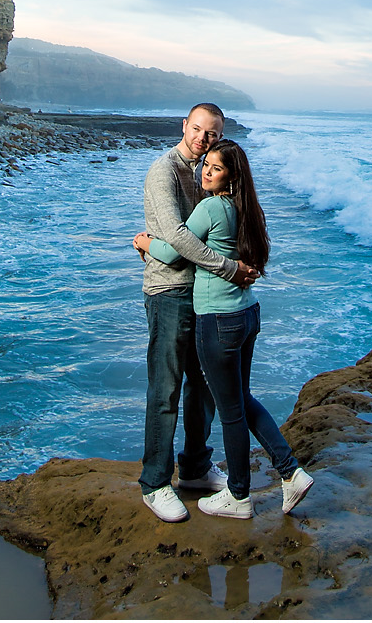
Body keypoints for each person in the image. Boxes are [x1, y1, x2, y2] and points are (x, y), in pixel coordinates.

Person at [134, 138, 313, 519]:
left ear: (230, 178)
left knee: (231, 410)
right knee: (241, 399)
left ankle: (240, 495)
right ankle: (288, 470)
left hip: (218, 319)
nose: (206, 172)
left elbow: (172, 250)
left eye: (215, 168)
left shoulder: (211, 206)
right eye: (206, 165)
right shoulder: (248, 208)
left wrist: (145, 240)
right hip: (248, 314)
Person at [138, 103, 260, 523]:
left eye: (212, 134)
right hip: (169, 291)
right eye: (198, 130)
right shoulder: (164, 171)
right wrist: (230, 269)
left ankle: (193, 467)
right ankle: (155, 483)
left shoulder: (206, 171)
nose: (203, 139)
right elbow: (173, 237)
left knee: (203, 386)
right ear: (184, 126)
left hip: (204, 296)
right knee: (166, 388)